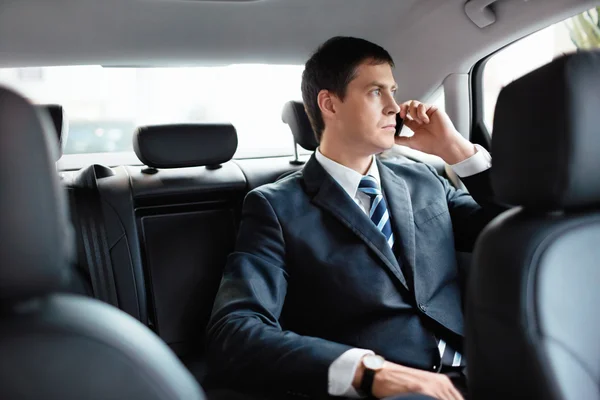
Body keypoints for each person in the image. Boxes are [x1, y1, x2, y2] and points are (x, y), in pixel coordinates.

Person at [205, 36, 503, 400]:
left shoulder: (424, 179)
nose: (395, 107)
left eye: (394, 91)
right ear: (330, 103)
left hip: (485, 373)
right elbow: (233, 330)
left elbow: (517, 230)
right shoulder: (275, 207)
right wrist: (368, 372)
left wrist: (456, 151)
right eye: (376, 92)